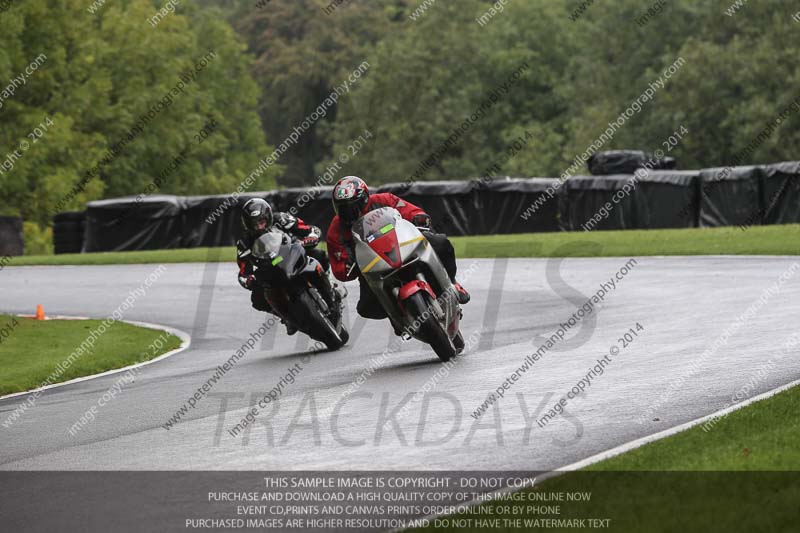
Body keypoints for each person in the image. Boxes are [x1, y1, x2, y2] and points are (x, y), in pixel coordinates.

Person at [326, 176, 470, 322]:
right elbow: (338, 266)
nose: (348, 211)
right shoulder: (335, 229)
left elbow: (410, 210)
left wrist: (418, 218)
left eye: (352, 206)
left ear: (364, 199)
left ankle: (453, 283)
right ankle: (399, 319)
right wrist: (348, 264)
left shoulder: (383, 200)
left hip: (403, 246)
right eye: (342, 208)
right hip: (372, 266)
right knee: (366, 308)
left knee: (440, 243)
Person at [237, 198, 336, 334]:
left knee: (319, 255)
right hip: (271, 268)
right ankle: (286, 317)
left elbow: (309, 230)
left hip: (295, 254)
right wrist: (248, 279)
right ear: (248, 225)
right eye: (255, 225)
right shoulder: (244, 243)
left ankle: (329, 288)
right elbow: (243, 271)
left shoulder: (282, 219)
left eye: (261, 222)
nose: (259, 227)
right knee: (257, 299)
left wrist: (309, 238)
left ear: (268, 217)